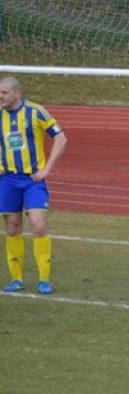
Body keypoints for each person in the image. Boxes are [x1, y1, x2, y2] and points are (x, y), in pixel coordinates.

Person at [0, 76, 68, 295]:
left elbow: (60, 138)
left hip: (32, 181)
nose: (0, 96)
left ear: (16, 93)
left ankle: (44, 279)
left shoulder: (36, 111)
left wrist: (47, 169)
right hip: (7, 180)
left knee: (38, 225)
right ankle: (17, 279)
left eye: (4, 92)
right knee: (12, 227)